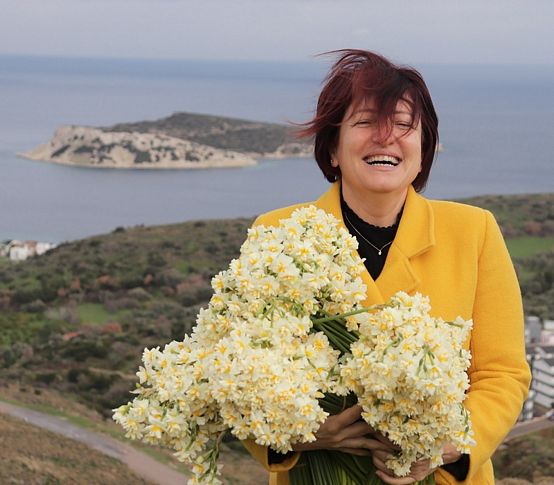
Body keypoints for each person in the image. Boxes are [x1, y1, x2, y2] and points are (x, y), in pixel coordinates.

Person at [242, 50, 531, 485]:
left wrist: (444, 446)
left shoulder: (474, 231)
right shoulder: (277, 233)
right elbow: (240, 372)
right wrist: (300, 433)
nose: (385, 138)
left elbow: (502, 374)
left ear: (422, 151)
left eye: (402, 125)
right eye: (363, 123)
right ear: (333, 149)